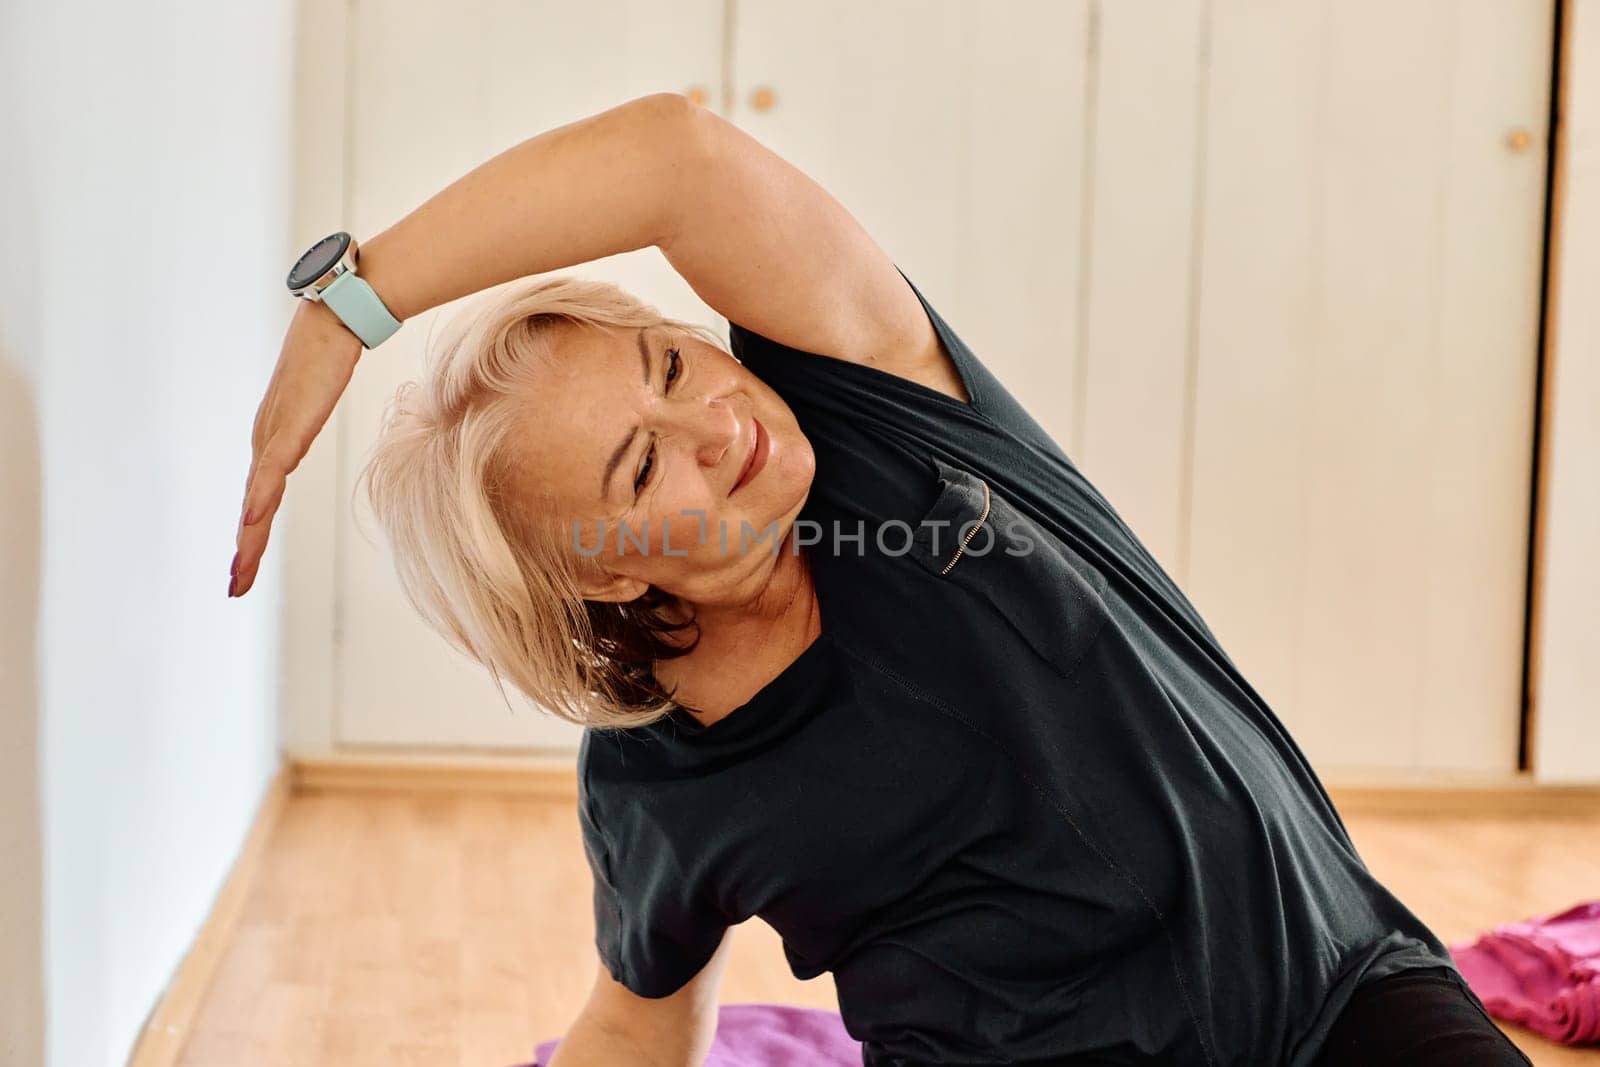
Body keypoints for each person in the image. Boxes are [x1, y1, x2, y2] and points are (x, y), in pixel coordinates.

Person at [229, 93, 1534, 1066]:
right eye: (640, 472)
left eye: (677, 369)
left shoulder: (882, 410)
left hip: (1336, 993)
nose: (714, 427)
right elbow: (641, 1023)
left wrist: (352, 303)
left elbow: (679, 158)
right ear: (602, 578)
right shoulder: (662, 775)